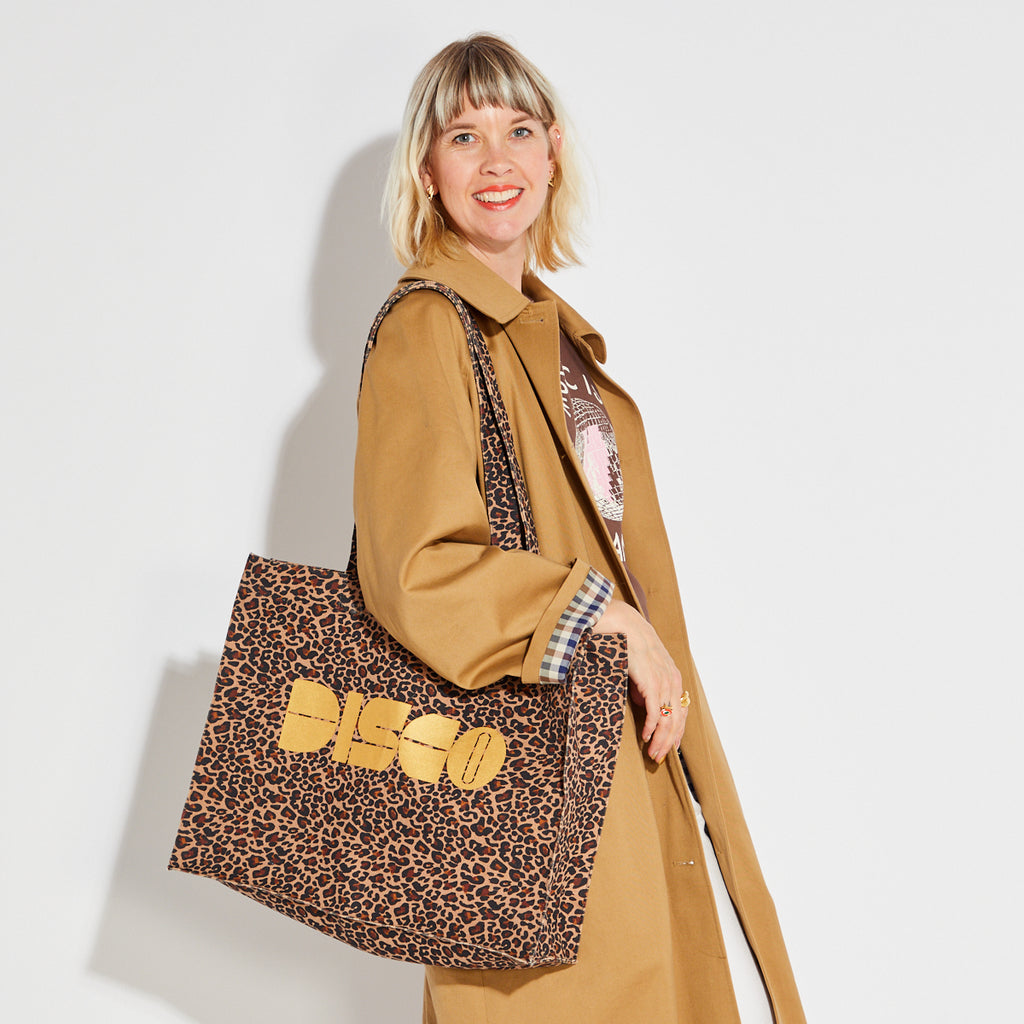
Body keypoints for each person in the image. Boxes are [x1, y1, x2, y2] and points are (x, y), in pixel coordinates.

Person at [355, 33, 806, 1024]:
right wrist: (601, 616)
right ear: (426, 171)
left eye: (519, 129)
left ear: (554, 149)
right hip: (534, 804)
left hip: (626, 777)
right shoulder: (430, 327)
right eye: (463, 137)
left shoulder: (546, 338)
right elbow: (415, 569)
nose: (497, 160)